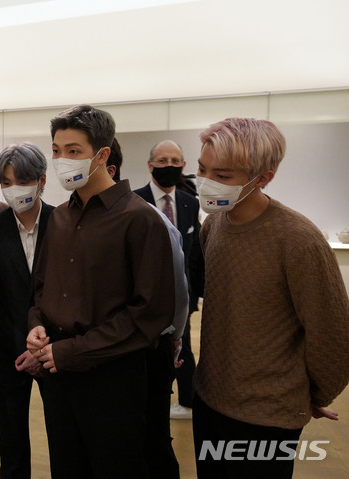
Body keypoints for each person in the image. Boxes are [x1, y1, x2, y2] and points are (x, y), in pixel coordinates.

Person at [192, 117, 349, 479]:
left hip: (266, 416)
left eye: (223, 175)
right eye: (202, 169)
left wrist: (311, 395)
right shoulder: (213, 225)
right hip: (210, 400)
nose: (206, 182)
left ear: (263, 177)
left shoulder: (298, 240)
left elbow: (333, 334)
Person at [26, 105, 176, 478]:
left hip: (111, 377)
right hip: (57, 370)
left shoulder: (139, 219)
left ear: (102, 155)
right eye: (57, 150)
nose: (61, 160)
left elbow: (149, 314)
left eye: (73, 151)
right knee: (66, 465)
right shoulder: (59, 217)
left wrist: (73, 351)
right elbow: (42, 287)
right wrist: (36, 325)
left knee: (113, 467)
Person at [0, 142, 53, 479]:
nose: (15, 190)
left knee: (63, 433)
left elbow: (71, 296)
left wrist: (43, 346)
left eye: (23, 181)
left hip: (56, 349)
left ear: (42, 180)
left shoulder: (65, 223)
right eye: (7, 182)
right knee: (11, 436)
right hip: (8, 349)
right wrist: (21, 345)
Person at [134, 140, 197, 479]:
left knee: (181, 355)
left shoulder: (189, 202)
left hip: (182, 303)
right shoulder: (135, 202)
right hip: (147, 311)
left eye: (175, 160)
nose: (169, 165)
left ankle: (182, 401)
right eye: (162, 160)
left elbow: (194, 254)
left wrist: (194, 296)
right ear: (150, 165)